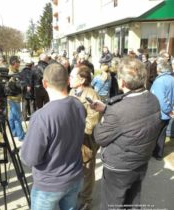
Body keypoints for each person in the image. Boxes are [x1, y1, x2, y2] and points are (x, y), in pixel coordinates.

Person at [91, 57, 162, 210]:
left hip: (119, 168)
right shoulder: (153, 99)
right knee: (133, 201)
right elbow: (131, 118)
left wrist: (103, 117)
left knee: (113, 205)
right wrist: (107, 109)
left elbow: (100, 137)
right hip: (141, 162)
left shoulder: (118, 110)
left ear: (122, 82)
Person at [21, 63, 86, 210]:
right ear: (68, 81)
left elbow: (30, 158)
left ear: (44, 83)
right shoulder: (78, 105)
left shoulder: (41, 116)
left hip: (49, 184)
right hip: (74, 177)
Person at [69, 66, 100, 210]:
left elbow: (93, 120)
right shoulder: (71, 92)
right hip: (73, 140)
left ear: (82, 79)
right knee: (75, 169)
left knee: (87, 171)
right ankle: (75, 194)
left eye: (72, 76)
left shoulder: (91, 95)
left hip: (86, 140)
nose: (69, 78)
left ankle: (86, 200)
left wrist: (77, 134)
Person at [150, 55, 174, 160]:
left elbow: (160, 100)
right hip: (168, 113)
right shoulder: (172, 79)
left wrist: (168, 110)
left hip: (160, 113)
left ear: (160, 69)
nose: (156, 70)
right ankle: (158, 154)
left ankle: (154, 153)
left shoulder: (160, 81)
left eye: (157, 68)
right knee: (162, 134)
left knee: (155, 134)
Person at [7, 55, 26, 141]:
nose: (19, 63)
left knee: (12, 116)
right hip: (13, 98)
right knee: (17, 117)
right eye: (18, 62)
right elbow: (11, 87)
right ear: (14, 63)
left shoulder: (16, 71)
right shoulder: (10, 73)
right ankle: (21, 136)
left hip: (15, 97)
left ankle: (13, 132)